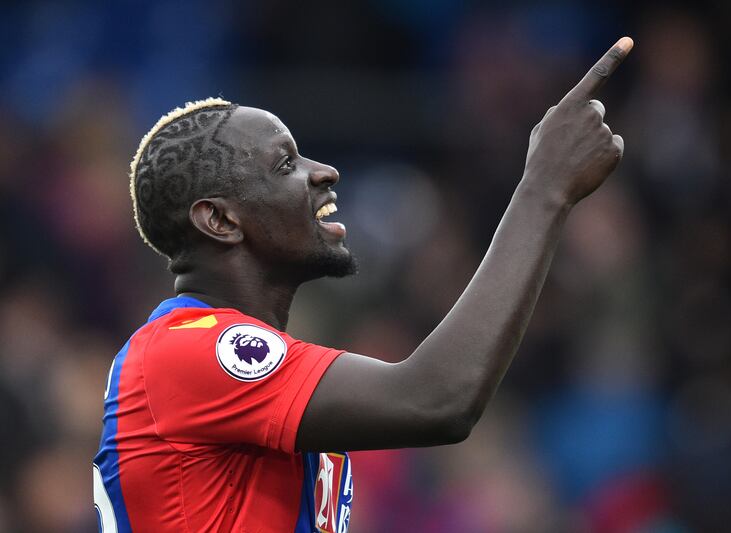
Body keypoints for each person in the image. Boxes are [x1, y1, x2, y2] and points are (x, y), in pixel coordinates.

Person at [93, 37, 633, 533]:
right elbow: (438, 400)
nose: (324, 171)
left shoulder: (263, 380)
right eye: (286, 163)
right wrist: (543, 189)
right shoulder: (184, 352)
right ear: (221, 221)